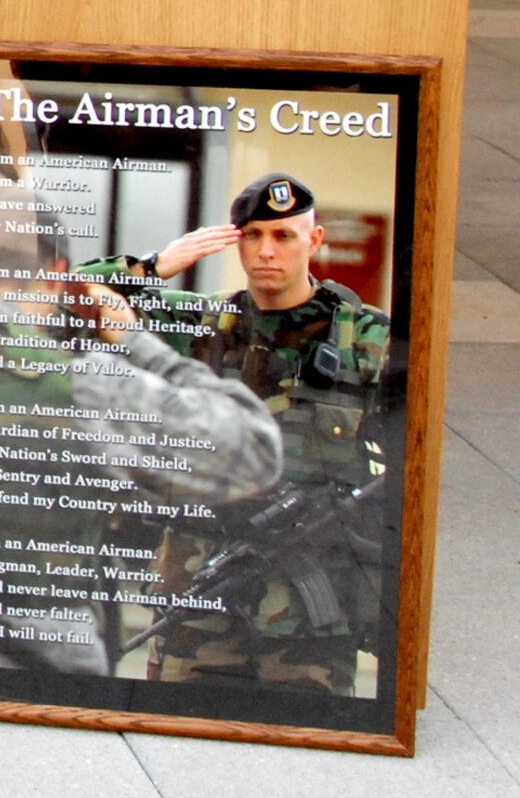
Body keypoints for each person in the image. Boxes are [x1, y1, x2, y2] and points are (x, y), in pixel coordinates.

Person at [90, 172, 393, 693]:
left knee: (306, 743)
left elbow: (419, 457)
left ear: (314, 241)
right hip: (199, 599)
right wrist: (157, 266)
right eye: (251, 235)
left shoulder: (367, 339)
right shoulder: (201, 327)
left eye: (283, 236)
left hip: (311, 620)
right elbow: (65, 298)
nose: (266, 251)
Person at [0, 203, 282, 679]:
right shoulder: (79, 386)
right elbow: (252, 448)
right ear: (59, 277)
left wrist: (143, 269)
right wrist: (134, 340)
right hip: (34, 670)